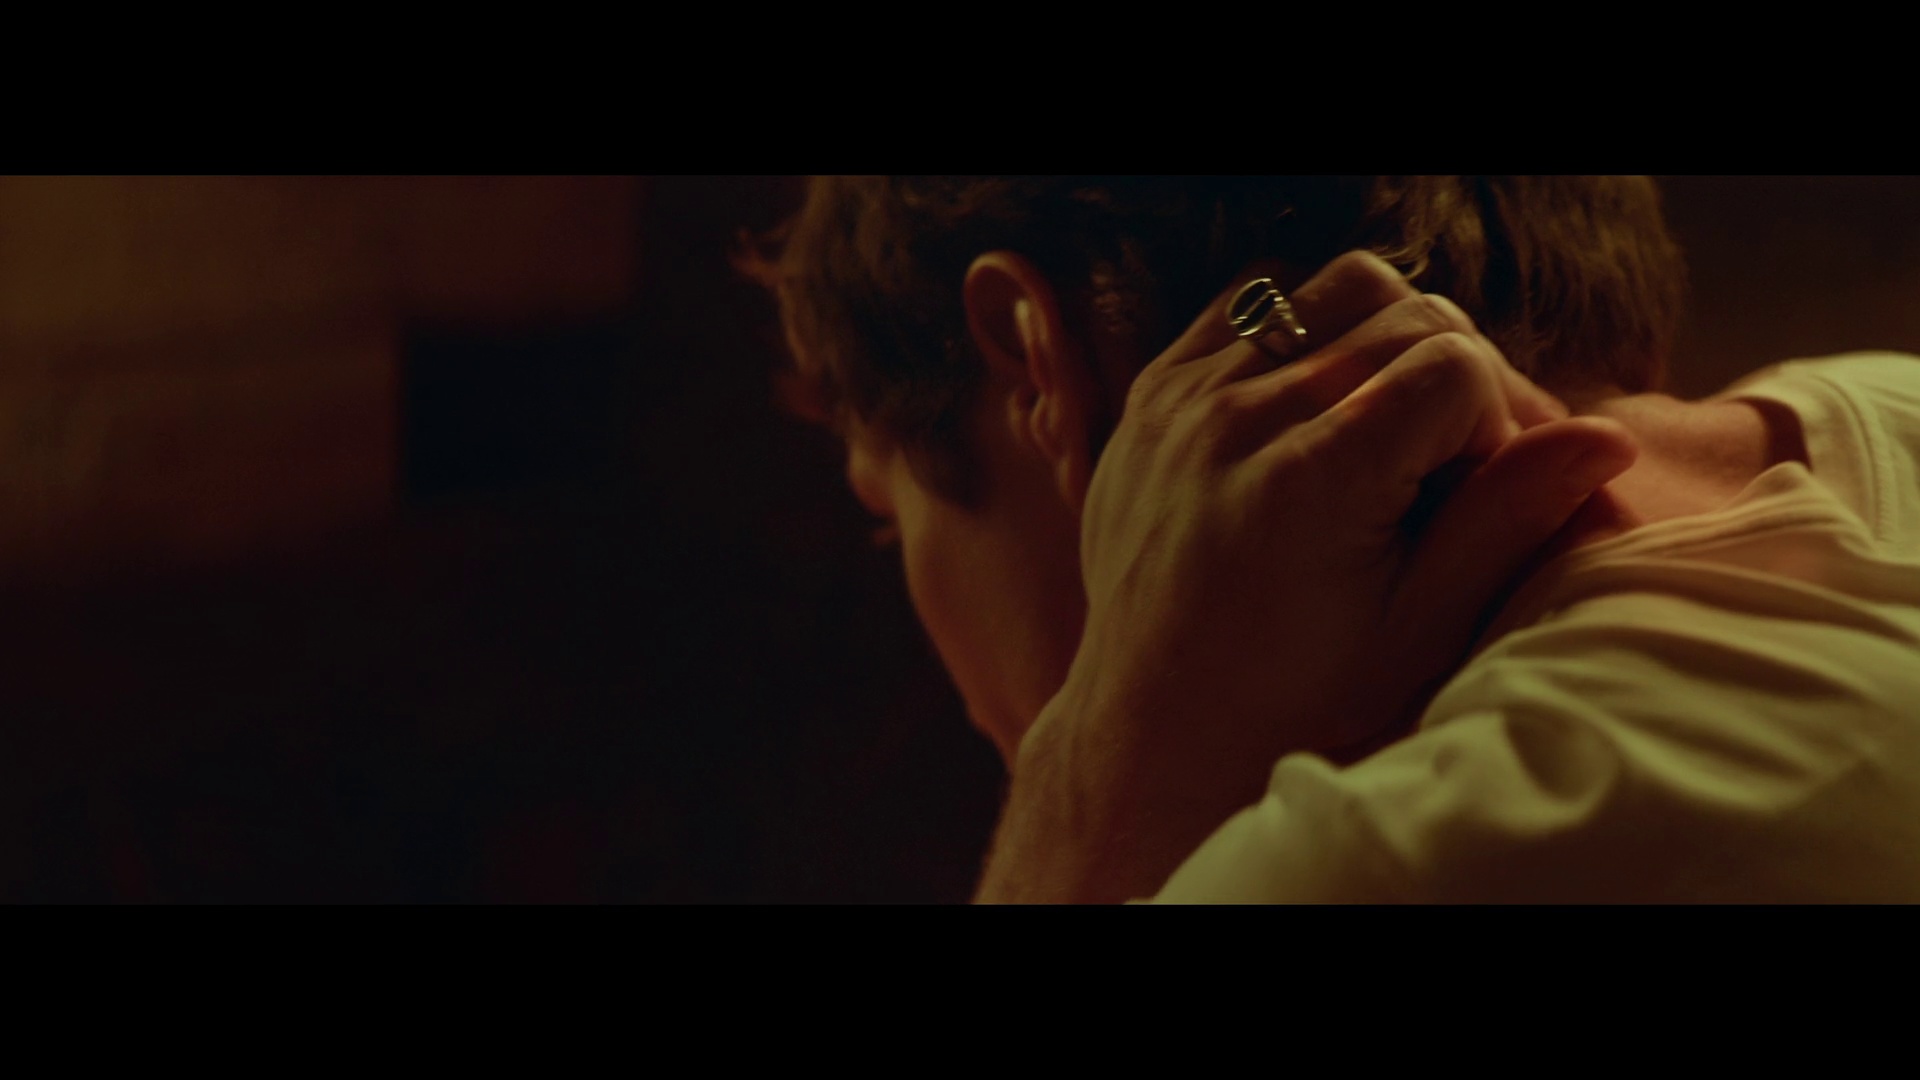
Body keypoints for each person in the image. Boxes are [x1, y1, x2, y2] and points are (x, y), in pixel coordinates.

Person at [750, 176, 1920, 903]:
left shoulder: (1378, 861)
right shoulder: (1891, 402)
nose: (969, 708)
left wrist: (1090, 780)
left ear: (1036, 365)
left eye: (890, 517)